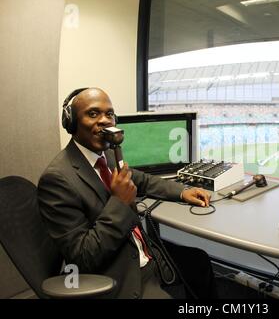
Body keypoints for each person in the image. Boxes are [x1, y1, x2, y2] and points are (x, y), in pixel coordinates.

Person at [38, 87, 216, 299]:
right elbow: (83, 257)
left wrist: (182, 192)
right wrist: (120, 203)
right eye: (93, 114)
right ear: (72, 123)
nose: (105, 120)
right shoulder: (57, 179)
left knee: (199, 261)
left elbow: (142, 180)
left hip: (143, 249)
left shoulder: (107, 155)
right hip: (119, 272)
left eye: (110, 114)